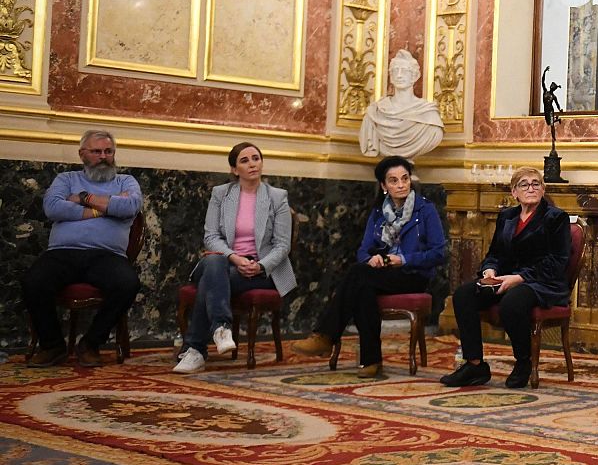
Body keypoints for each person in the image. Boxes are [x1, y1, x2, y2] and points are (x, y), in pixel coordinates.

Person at [289, 156, 446, 378]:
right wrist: (371, 259)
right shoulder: (379, 212)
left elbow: (438, 253)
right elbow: (363, 250)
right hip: (381, 273)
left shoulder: (425, 210)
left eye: (405, 179)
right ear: (384, 186)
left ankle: (326, 335)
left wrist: (405, 259)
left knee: (358, 275)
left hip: (412, 275)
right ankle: (370, 362)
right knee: (364, 287)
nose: (401, 185)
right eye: (393, 181)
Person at [440, 167, 571, 389]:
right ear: (514, 192)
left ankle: (523, 362)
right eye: (524, 184)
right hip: (505, 280)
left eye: (536, 184)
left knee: (512, 302)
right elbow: (495, 254)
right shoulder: (507, 216)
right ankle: (475, 365)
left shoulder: (556, 218)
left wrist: (518, 278)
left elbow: (557, 262)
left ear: (543, 188)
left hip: (542, 282)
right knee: (463, 295)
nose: (531, 188)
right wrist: (489, 271)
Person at [22, 129, 144, 367]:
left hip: (107, 256)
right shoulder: (66, 179)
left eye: (108, 151)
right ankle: (52, 346)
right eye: (96, 151)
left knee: (128, 283)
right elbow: (54, 208)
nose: (103, 156)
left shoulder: (126, 181)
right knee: (33, 282)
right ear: (82, 154)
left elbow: (129, 206)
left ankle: (90, 344)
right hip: (63, 252)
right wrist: (106, 206)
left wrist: (82, 198)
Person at [174, 142, 297, 374]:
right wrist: (234, 258)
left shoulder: (277, 197)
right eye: (245, 160)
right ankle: (220, 327)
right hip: (226, 262)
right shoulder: (221, 194)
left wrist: (259, 265)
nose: (252, 164)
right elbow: (211, 237)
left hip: (262, 270)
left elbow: (282, 245)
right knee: (214, 261)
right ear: (234, 169)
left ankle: (195, 349)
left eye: (256, 158)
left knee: (208, 281)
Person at [358, 50, 445, 159]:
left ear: (415, 76)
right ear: (390, 75)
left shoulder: (429, 114)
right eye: (395, 71)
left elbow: (435, 134)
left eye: (404, 71)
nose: (399, 75)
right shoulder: (375, 112)